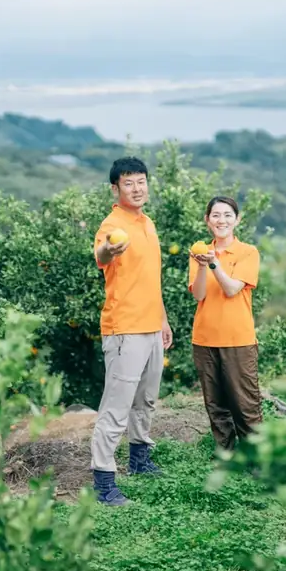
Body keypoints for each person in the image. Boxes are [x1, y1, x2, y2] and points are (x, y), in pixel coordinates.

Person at [89, 156, 173, 506]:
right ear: (115, 188)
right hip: (125, 329)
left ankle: (139, 460)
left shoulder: (147, 223)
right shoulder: (112, 224)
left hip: (152, 326)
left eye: (141, 181)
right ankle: (104, 482)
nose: (137, 188)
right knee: (117, 406)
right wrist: (109, 248)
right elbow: (102, 254)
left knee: (146, 399)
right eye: (129, 183)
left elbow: (150, 279)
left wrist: (164, 319)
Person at [188, 195, 262, 452]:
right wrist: (200, 266)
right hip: (205, 340)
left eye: (228, 215)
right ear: (207, 221)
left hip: (238, 340)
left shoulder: (248, 252)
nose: (222, 220)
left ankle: (257, 461)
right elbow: (199, 295)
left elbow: (231, 289)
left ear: (237, 219)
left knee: (246, 405)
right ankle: (227, 458)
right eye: (216, 215)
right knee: (216, 406)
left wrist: (213, 264)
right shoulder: (198, 252)